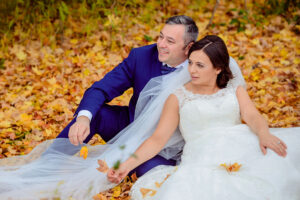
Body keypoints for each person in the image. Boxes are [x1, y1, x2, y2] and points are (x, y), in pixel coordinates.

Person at [107, 35, 300, 200]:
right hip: (203, 157)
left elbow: (252, 115)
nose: (192, 70)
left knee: (281, 166)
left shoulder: (234, 89)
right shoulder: (178, 97)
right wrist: (126, 165)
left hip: (242, 145)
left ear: (218, 68)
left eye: (200, 65)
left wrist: (264, 134)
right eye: (190, 63)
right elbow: (157, 140)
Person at [56, 15, 199, 176]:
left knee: (149, 172)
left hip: (168, 146)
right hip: (132, 127)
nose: (161, 44)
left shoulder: (201, 68)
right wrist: (83, 118)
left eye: (170, 41)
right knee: (95, 114)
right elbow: (101, 88)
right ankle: (49, 161)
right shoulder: (141, 56)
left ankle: (132, 166)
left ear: (189, 47)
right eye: (160, 36)